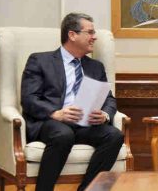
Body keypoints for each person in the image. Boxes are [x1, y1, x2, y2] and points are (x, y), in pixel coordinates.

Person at [21, 13, 124, 191]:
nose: (95, 37)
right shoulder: (40, 60)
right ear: (72, 35)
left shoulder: (95, 66)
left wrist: (105, 115)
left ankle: (88, 189)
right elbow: (29, 98)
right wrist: (56, 113)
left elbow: (109, 98)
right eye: (90, 32)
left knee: (114, 135)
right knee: (63, 134)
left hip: (85, 124)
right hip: (51, 123)